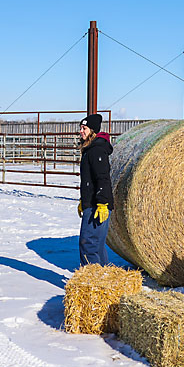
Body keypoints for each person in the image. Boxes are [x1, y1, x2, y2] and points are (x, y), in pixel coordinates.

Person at [77, 113, 113, 267]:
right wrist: (83, 200)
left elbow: (102, 178)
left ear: (92, 130)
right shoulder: (90, 149)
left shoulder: (97, 150)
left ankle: (92, 282)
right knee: (96, 245)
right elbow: (89, 180)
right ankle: (103, 278)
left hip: (97, 205)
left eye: (84, 128)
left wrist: (102, 203)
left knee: (88, 243)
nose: (80, 131)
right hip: (92, 202)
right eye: (80, 128)